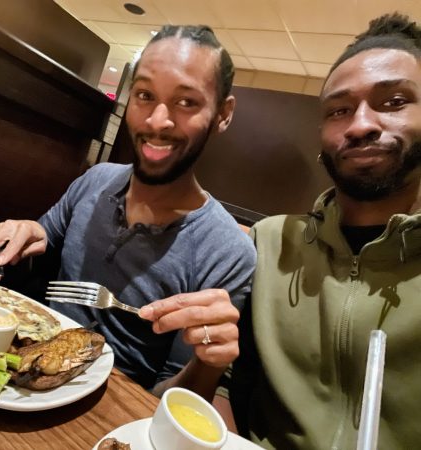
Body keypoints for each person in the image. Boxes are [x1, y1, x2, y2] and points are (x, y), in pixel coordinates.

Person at [141, 12, 421, 448]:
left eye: (394, 101)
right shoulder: (271, 243)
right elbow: (225, 385)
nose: (361, 124)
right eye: (340, 109)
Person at [0, 25, 256, 396]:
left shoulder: (228, 252)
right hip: (21, 372)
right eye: (145, 95)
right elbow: (45, 236)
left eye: (186, 102)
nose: (157, 121)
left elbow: (165, 398)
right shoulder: (96, 180)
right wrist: (30, 231)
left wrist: (210, 364)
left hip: (113, 407)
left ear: (223, 114)